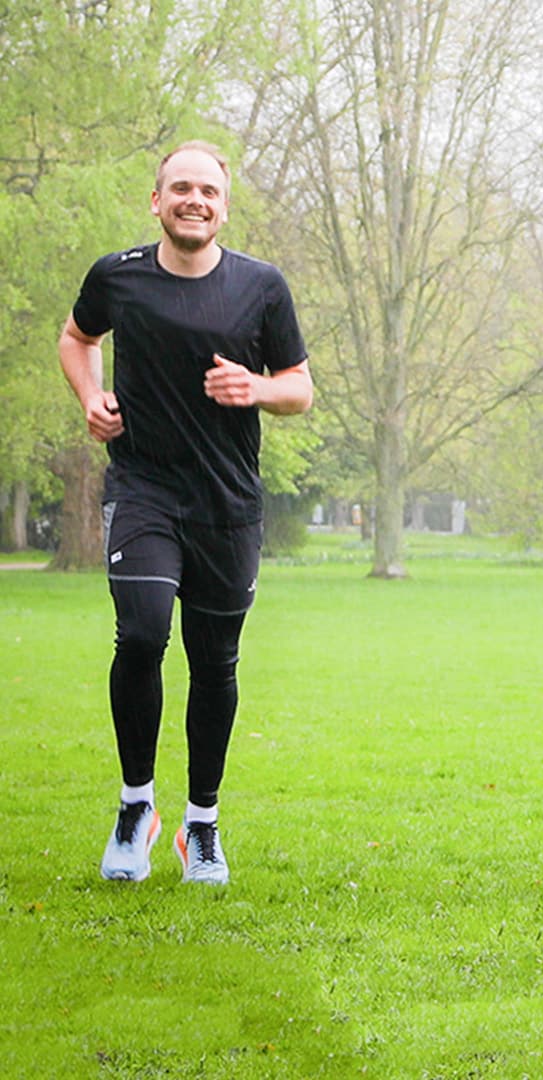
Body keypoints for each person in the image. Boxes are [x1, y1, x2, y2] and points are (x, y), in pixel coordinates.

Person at [59, 140, 314, 886]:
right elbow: (78, 339)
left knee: (215, 663)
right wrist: (91, 399)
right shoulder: (119, 277)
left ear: (224, 206)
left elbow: (299, 386)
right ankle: (136, 806)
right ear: (156, 200)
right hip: (142, 489)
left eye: (207, 190)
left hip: (227, 503)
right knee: (140, 634)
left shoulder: (261, 287)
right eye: (180, 189)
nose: (193, 200)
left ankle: (200, 822)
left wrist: (257, 389)